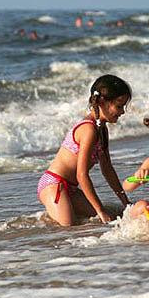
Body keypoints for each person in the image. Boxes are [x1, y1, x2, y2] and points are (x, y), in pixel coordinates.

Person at [37, 75, 133, 226]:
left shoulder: (102, 130)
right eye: (119, 106)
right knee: (69, 227)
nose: (122, 112)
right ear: (102, 102)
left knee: (101, 221)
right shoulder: (88, 130)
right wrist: (101, 210)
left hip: (70, 188)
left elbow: (107, 169)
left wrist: (125, 202)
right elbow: (81, 175)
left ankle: (58, 211)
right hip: (54, 184)